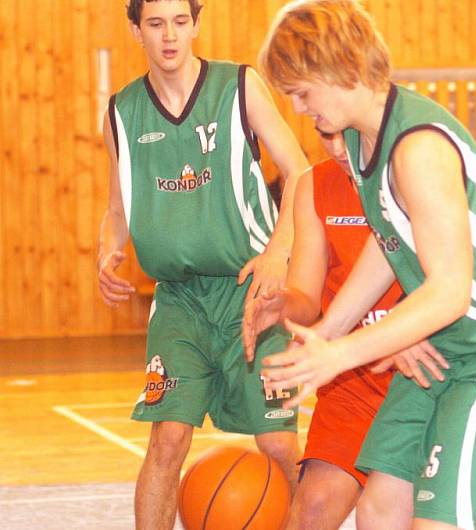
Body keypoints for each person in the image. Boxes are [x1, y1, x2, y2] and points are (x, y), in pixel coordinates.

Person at [247, 1, 476, 528]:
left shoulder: (418, 146)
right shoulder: (361, 143)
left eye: (302, 92)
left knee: (434, 523)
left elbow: (450, 291)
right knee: (379, 509)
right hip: (452, 349)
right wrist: (326, 335)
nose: (298, 107)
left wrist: (342, 354)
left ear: (338, 66)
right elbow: (389, 239)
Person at [246, 129, 476, 530]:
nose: (340, 148)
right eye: (326, 134)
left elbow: (460, 284)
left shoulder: (422, 173)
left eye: (348, 134)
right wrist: (283, 306)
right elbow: (307, 297)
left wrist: (406, 329)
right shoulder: (315, 185)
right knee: (312, 510)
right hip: (356, 386)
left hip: (439, 377)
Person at [96, 1, 309, 528]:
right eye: (155, 23)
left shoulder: (239, 87)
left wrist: (279, 249)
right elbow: (118, 208)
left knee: (279, 443)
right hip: (179, 301)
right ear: (134, 29)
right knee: (167, 437)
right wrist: (108, 250)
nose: (169, 36)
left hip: (249, 296)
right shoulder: (121, 112)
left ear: (195, 24)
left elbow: (301, 172)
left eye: (180, 22)